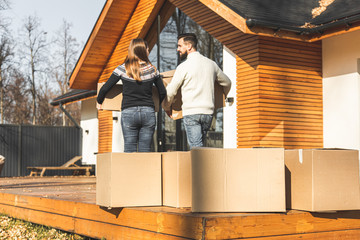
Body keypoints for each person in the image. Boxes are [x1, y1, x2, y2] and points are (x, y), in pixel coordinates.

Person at [97, 38, 166, 153]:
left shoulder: (122, 68)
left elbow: (105, 88)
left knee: (129, 150)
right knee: (145, 151)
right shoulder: (152, 70)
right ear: (143, 51)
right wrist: (157, 105)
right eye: (147, 49)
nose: (148, 51)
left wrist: (99, 101)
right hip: (148, 112)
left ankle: (130, 171)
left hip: (129, 112)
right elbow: (162, 92)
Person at [164, 33, 231, 149]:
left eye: (180, 46)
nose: (177, 49)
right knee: (201, 148)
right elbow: (227, 82)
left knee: (196, 150)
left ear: (189, 46)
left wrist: (166, 106)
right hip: (208, 113)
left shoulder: (183, 67)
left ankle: (198, 168)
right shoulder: (212, 64)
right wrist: (222, 97)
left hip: (192, 113)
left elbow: (171, 91)